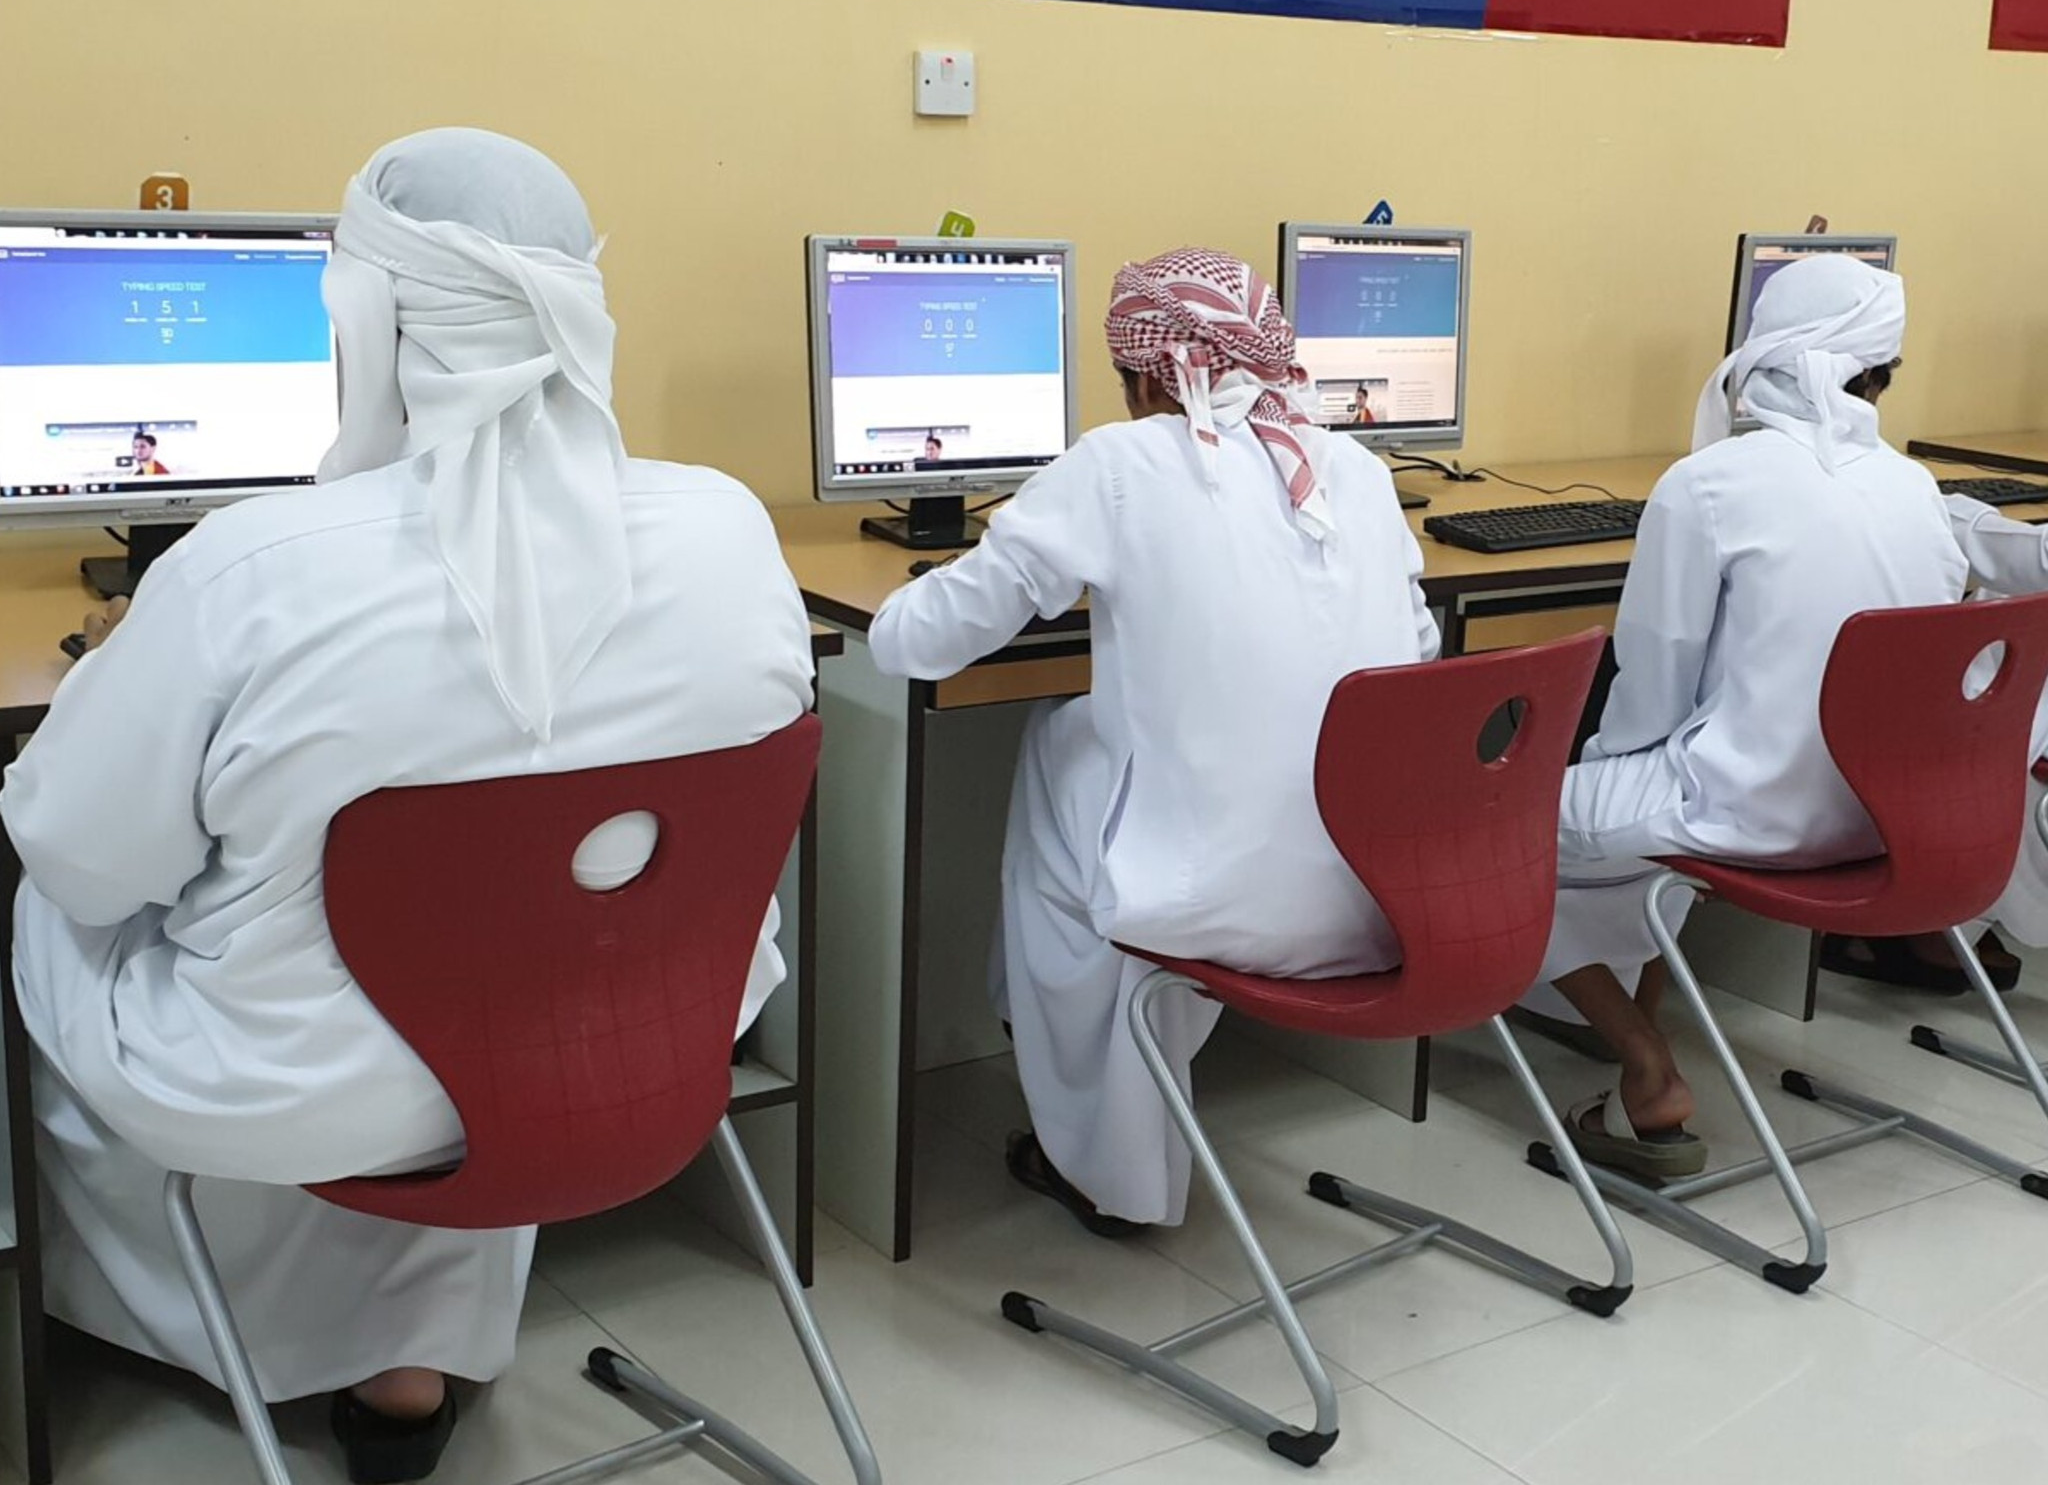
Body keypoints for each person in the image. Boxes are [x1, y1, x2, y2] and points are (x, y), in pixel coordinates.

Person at [2, 129, 813, 1482]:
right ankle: (404, 1363)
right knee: (471, 963)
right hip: (631, 1054)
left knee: (59, 905)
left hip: (298, 1098)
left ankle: (194, 1335)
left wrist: (114, 688)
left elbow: (78, 857)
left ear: (369, 322)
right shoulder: (727, 528)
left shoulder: (251, 568)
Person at [869, 249, 1438, 1231]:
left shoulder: (1120, 464)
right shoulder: (1354, 469)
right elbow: (1418, 650)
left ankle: (1108, 1162)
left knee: (1059, 760)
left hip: (1209, 903)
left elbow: (913, 645)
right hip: (1379, 900)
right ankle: (1068, 1045)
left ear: (1149, 376)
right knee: (1097, 755)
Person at [1514, 254, 1967, 1180]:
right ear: (1879, 372)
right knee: (1638, 821)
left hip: (1750, 818)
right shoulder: (1915, 489)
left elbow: (1654, 683)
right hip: (1886, 823)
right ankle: (1636, 1031)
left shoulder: (1711, 483)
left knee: (1493, 831)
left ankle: (1644, 1061)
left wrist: (1599, 777)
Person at [1820, 492, 2048, 988]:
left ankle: (1938, 919)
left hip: (2011, 794)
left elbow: (1997, 547)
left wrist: (1896, 485)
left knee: (1995, 609)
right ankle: (1953, 923)